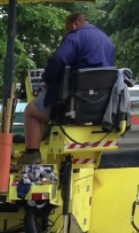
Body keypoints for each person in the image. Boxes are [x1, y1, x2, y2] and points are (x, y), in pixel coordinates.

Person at [18, 12, 115, 165]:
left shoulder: (75, 37)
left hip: (71, 102)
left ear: (75, 23)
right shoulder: (106, 40)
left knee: (31, 112)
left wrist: (47, 80)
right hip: (98, 105)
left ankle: (32, 154)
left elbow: (58, 59)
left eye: (67, 28)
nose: (67, 31)